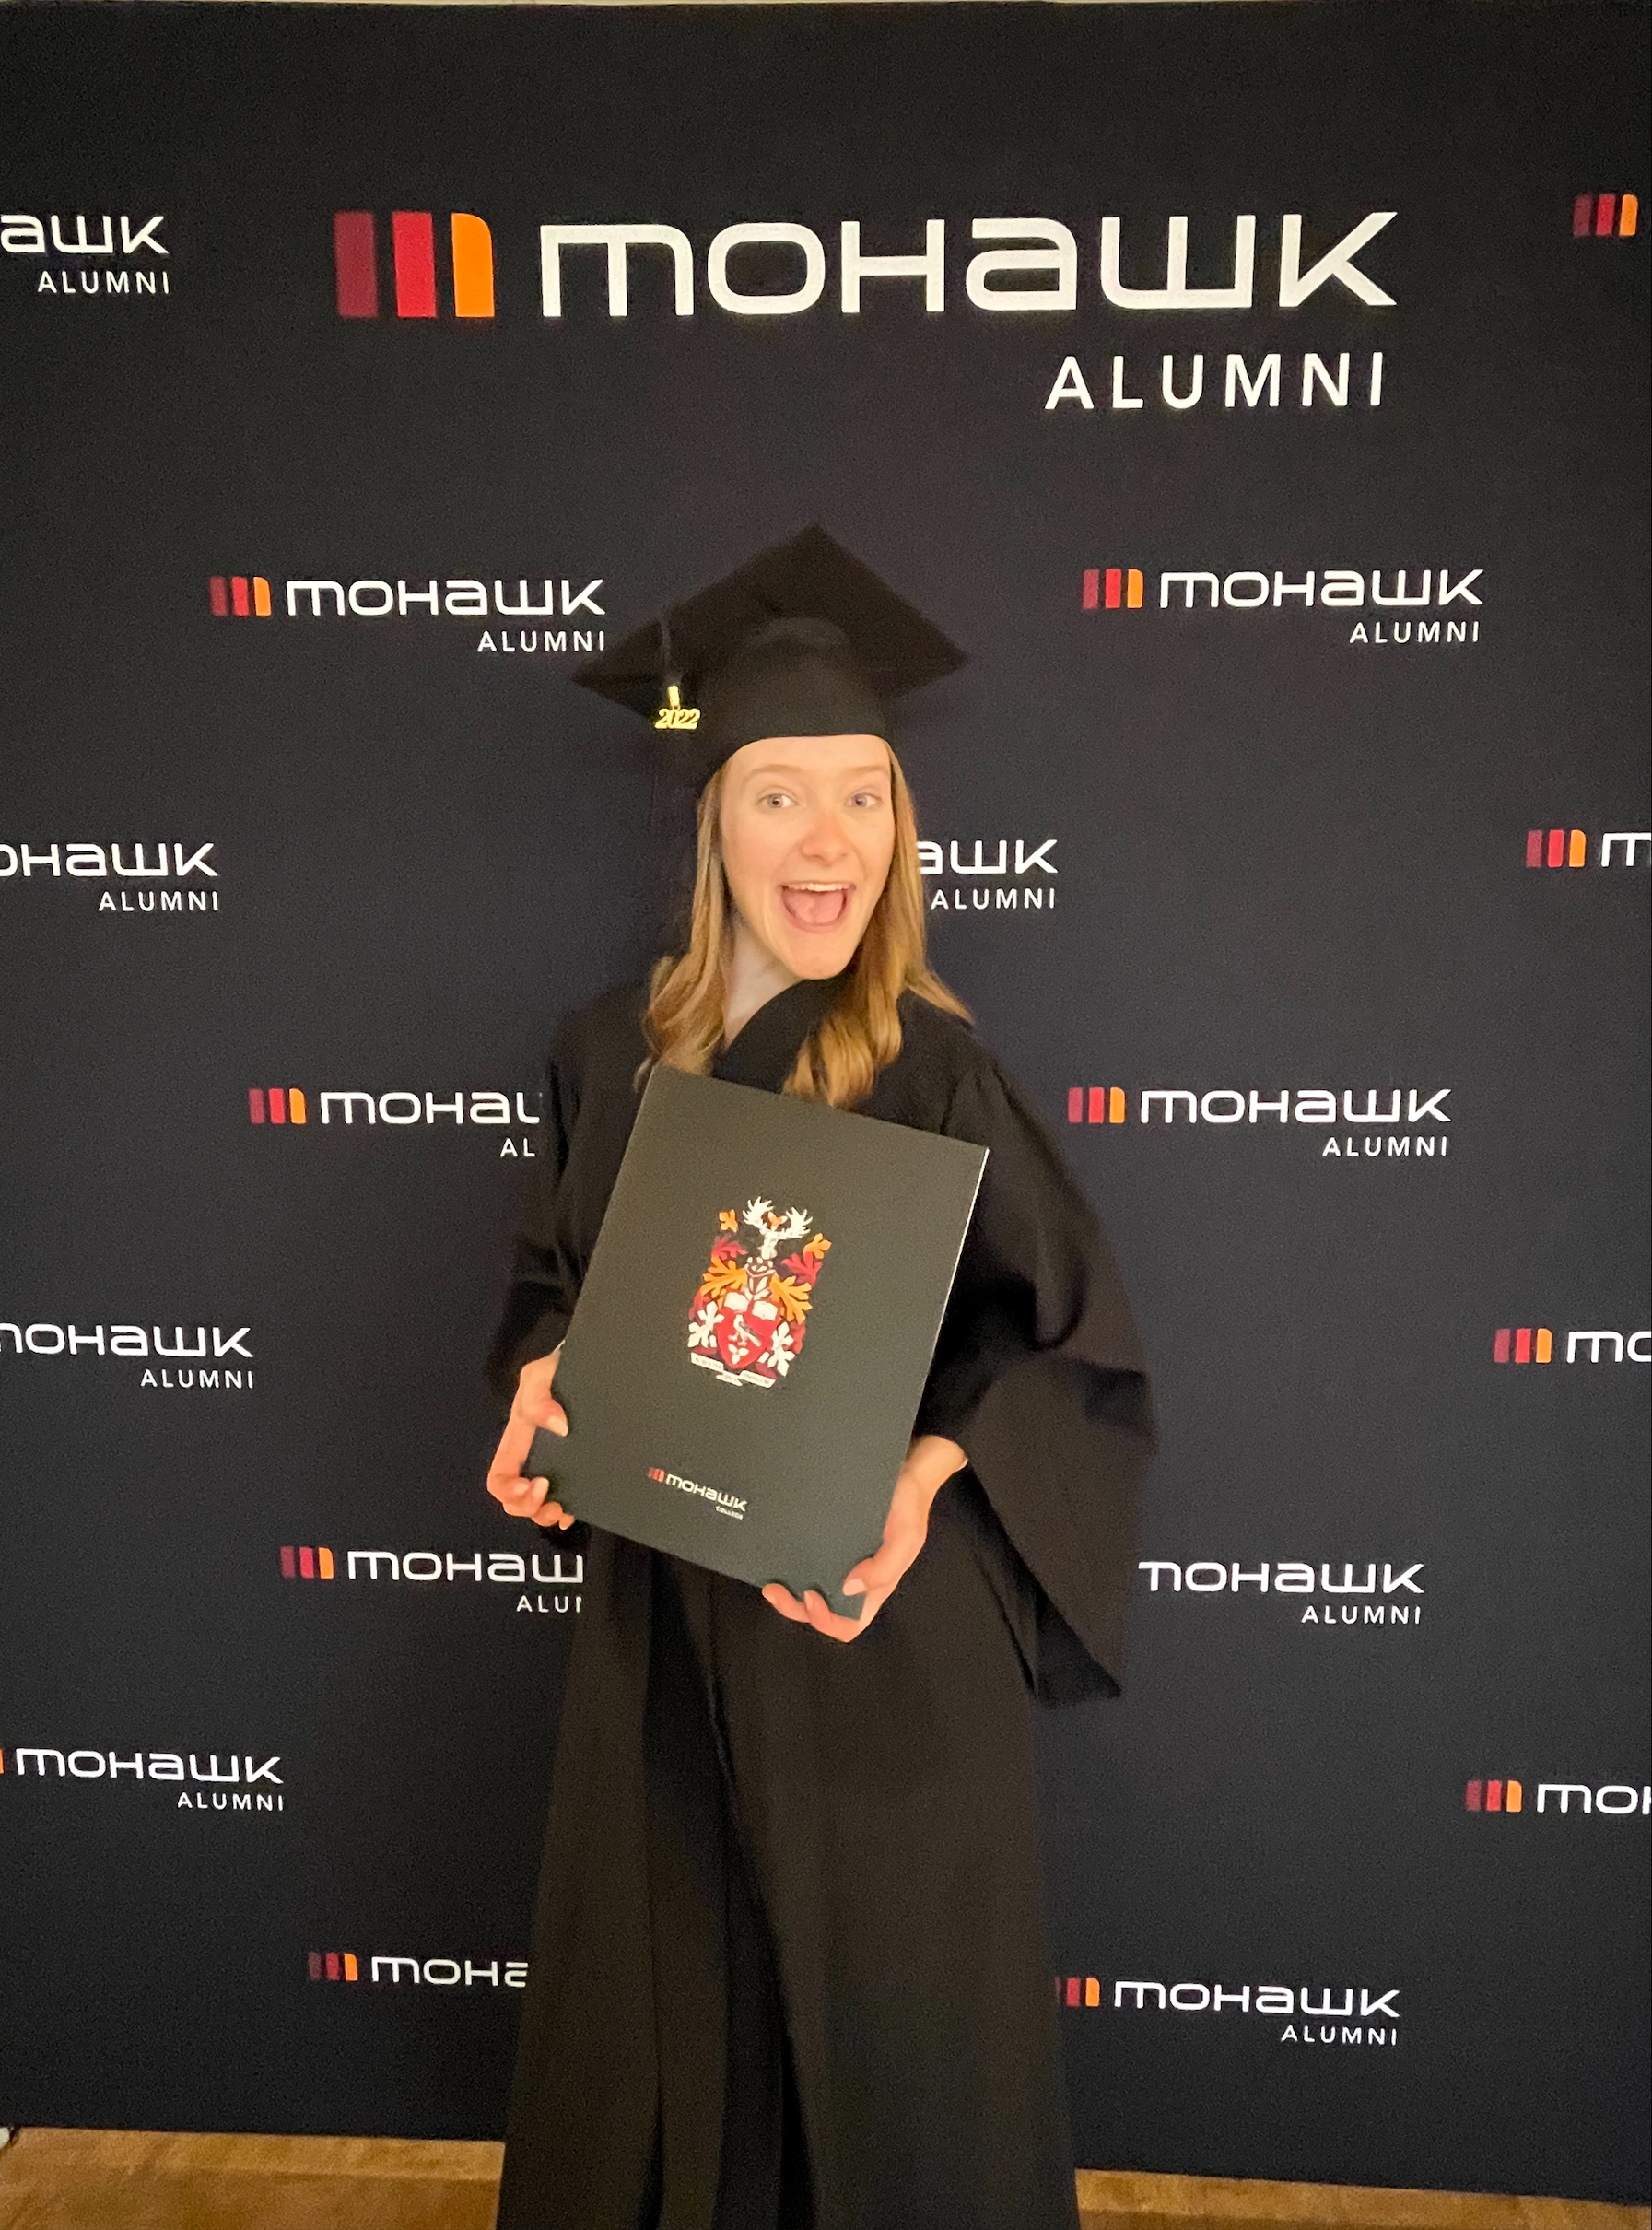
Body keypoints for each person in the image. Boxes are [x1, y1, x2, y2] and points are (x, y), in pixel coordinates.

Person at [485, 527, 1154, 2230]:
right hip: (662, 1627)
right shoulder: (603, 1052)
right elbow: (553, 1288)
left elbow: (1059, 1338)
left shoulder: (935, 1070)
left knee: (898, 2061)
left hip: (860, 1624)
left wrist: (928, 1478)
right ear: (710, 815)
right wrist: (543, 1381)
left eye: (865, 793)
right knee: (663, 2022)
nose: (831, 839)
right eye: (782, 791)